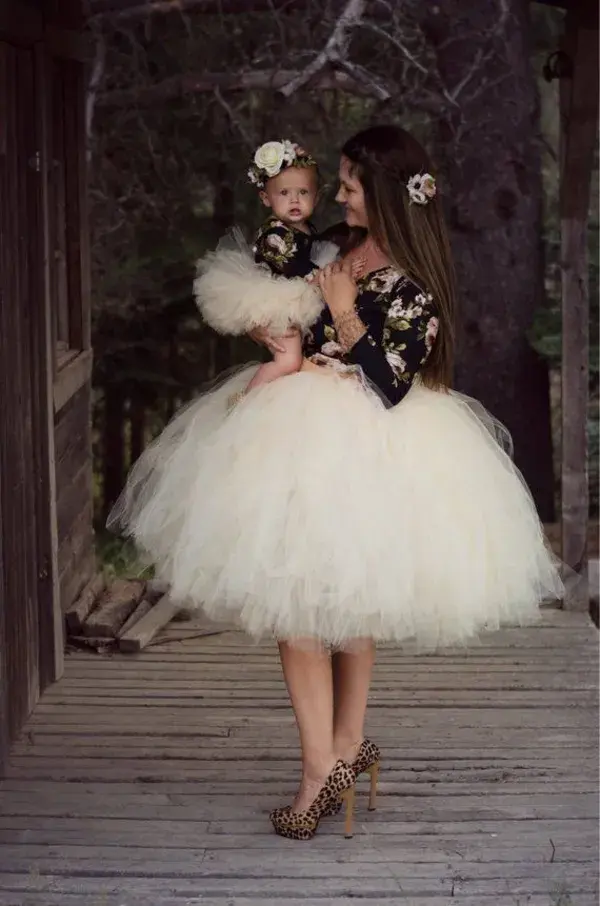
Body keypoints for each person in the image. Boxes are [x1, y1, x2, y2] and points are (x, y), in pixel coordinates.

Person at [108, 124, 564, 842]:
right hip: (303, 429)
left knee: (330, 610)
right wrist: (279, 328)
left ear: (384, 193)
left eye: (351, 184)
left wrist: (346, 307)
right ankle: (342, 752)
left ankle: (328, 764)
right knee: (323, 603)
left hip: (374, 444)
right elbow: (292, 292)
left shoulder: (415, 284)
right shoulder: (334, 244)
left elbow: (390, 383)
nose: (340, 195)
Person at [195, 139, 338, 396]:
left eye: (303, 193)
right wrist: (325, 276)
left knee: (299, 358)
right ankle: (248, 399)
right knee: (289, 360)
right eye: (284, 193)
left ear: (315, 197)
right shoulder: (274, 235)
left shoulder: (307, 229)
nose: (294, 200)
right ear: (265, 198)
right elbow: (298, 269)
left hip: (297, 296)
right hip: (278, 303)